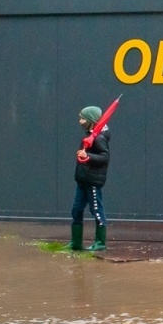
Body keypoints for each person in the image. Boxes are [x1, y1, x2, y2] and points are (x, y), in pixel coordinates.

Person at [71, 105, 110, 252]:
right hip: (82, 179)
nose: (80, 121)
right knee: (76, 210)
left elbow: (104, 157)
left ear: (91, 121)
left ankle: (100, 242)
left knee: (97, 211)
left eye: (83, 118)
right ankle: (76, 242)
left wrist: (87, 156)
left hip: (92, 181)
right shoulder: (90, 135)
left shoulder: (99, 138)